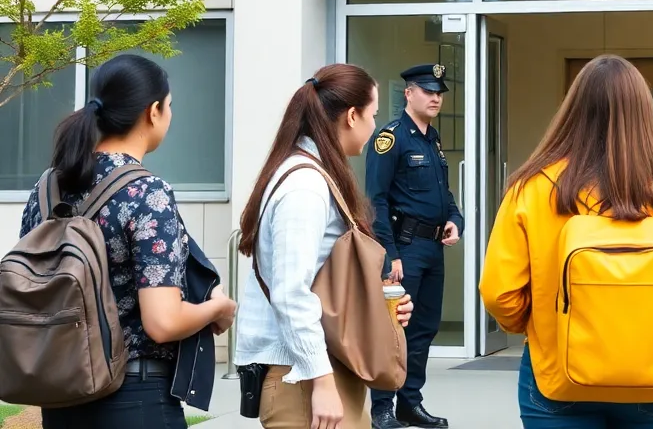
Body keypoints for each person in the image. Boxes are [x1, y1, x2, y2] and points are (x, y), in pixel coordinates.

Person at [479, 54, 653, 429]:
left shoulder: (532, 188)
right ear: (645, 114)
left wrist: (540, 326)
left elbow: (498, 294)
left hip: (556, 378)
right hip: (650, 381)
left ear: (573, 111)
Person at [18, 54, 237, 429]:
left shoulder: (48, 185)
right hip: (134, 396)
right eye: (170, 106)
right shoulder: (147, 193)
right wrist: (219, 310)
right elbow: (162, 322)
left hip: (60, 395)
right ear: (153, 112)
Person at [234, 64, 415, 429]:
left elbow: (324, 280)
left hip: (314, 372)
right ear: (352, 116)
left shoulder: (311, 174)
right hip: (302, 378)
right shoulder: (305, 186)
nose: (374, 126)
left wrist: (379, 303)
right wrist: (321, 380)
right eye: (373, 114)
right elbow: (291, 293)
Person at [366, 63, 464, 429]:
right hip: (403, 248)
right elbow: (376, 200)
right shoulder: (390, 138)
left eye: (439, 92)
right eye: (427, 90)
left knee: (423, 328)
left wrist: (456, 220)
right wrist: (389, 254)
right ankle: (382, 409)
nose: (435, 97)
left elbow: (445, 195)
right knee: (393, 329)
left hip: (432, 246)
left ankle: (409, 403)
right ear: (408, 93)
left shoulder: (432, 138)